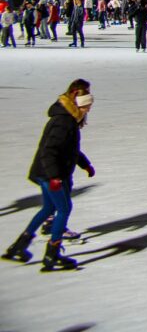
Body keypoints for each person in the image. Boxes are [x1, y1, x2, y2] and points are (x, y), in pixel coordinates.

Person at [3, 80, 95, 270]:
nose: (89, 109)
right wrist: (54, 177)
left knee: (47, 209)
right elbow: (49, 151)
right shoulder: (63, 122)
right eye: (87, 106)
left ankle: (19, 246)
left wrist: (85, 164)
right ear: (79, 102)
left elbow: (69, 149)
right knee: (64, 209)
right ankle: (52, 254)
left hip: (49, 172)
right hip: (50, 174)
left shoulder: (69, 119)